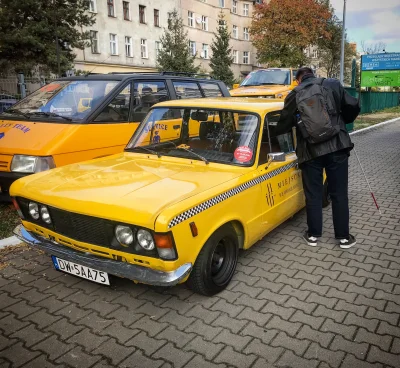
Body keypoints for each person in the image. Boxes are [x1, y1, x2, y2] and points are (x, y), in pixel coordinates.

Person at [276, 67, 360, 249]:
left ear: (298, 80)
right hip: (337, 146)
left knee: (313, 194)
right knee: (339, 194)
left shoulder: (294, 94)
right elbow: (353, 106)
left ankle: (313, 235)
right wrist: (341, 120)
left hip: (310, 152)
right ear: (313, 74)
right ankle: (344, 238)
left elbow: (283, 124)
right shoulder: (333, 84)